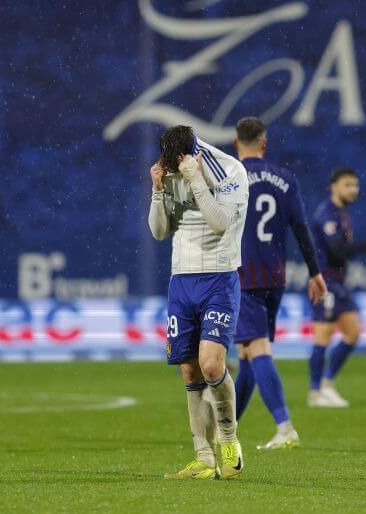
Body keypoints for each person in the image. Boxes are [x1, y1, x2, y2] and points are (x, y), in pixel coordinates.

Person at [148, 125, 249, 479]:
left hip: (219, 278)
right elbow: (160, 232)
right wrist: (158, 191)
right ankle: (203, 457)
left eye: (177, 166)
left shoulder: (230, 170)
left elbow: (220, 224)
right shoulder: (171, 168)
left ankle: (229, 441)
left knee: (210, 365)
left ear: (190, 155)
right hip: (182, 280)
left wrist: (195, 180)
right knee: (189, 370)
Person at [231, 117, 327, 450]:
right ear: (265, 142)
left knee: (257, 349)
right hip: (274, 277)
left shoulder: (231, 176)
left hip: (243, 276)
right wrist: (315, 272)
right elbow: (301, 228)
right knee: (245, 354)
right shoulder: (286, 179)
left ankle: (285, 427)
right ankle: (226, 431)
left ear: (235, 142)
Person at [308, 168, 366, 407]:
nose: (353, 189)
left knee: (353, 332)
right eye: (347, 185)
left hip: (338, 284)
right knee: (323, 337)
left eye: (355, 185)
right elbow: (337, 252)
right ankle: (315, 393)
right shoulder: (328, 215)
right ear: (334, 186)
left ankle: (327, 383)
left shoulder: (341, 213)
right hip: (324, 283)